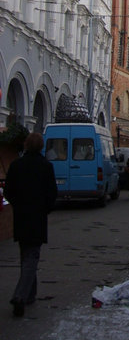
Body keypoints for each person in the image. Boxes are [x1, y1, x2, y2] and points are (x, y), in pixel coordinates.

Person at [4, 132, 57, 317]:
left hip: (21, 217)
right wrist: (45, 209)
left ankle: (30, 294)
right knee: (31, 258)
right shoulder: (46, 166)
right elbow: (52, 194)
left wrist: (18, 205)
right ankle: (20, 296)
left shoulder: (16, 165)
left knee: (25, 255)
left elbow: (8, 191)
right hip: (37, 218)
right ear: (41, 147)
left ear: (26, 145)